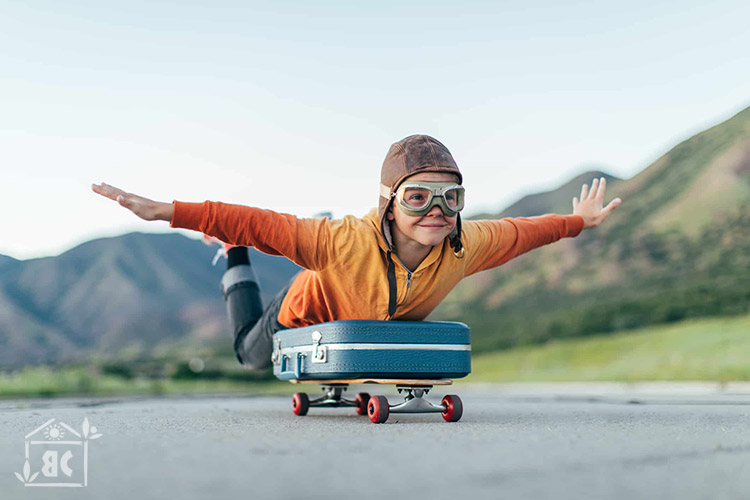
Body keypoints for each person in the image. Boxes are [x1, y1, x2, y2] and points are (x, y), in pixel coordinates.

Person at [91, 135, 622, 370]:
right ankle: (232, 259)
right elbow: (259, 223)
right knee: (248, 356)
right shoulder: (343, 240)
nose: (437, 210)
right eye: (418, 197)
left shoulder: (467, 243)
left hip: (366, 334)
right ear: (389, 203)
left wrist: (579, 222)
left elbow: (527, 230)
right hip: (302, 317)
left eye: (451, 197)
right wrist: (170, 211)